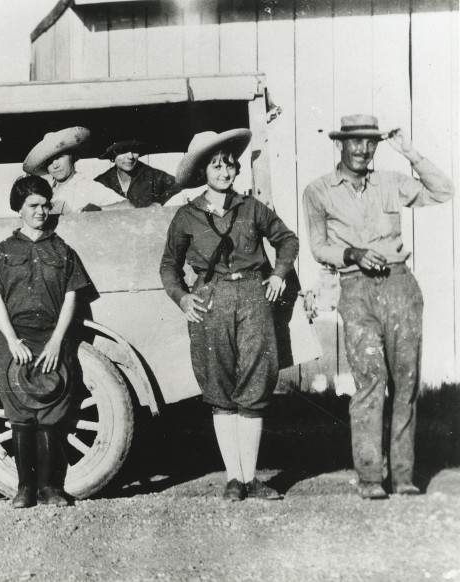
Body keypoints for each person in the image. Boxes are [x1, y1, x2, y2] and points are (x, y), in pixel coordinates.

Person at [302, 115, 454, 500]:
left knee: (406, 382)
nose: (363, 150)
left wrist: (410, 152)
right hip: (356, 291)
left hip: (401, 287)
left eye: (371, 143)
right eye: (355, 142)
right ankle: (370, 477)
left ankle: (403, 475)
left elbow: (443, 190)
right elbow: (319, 247)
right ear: (340, 144)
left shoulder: (390, 181)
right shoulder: (318, 191)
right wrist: (351, 252)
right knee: (371, 382)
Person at [160, 130, 299, 502]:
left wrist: (278, 274)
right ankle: (233, 479)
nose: (224, 172)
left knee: (254, 384)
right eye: (216, 166)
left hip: (254, 296)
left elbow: (287, 240)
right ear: (203, 172)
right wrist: (183, 298)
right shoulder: (187, 216)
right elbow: (169, 267)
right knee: (219, 387)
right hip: (210, 301)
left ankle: (252, 478)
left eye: (229, 165)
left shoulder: (251, 208)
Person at [0, 176, 93, 508]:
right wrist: (11, 340)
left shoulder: (62, 249)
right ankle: (25, 489)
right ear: (19, 209)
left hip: (51, 338)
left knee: (53, 409)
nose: (41, 211)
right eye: (33, 206)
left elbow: (72, 296)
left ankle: (51, 488)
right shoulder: (4, 250)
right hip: (16, 340)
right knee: (19, 413)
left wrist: (58, 341)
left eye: (45, 205)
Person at [22, 127, 130, 215]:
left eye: (60, 157)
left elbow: (128, 206)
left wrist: (98, 210)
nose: (55, 165)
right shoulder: (45, 190)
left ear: (73, 157)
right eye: (50, 161)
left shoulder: (87, 186)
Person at [94, 139, 181, 207]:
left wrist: (159, 203)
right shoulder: (102, 182)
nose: (130, 156)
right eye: (123, 150)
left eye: (134, 150)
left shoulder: (154, 176)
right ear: (112, 155)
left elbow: (180, 187)